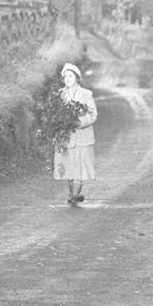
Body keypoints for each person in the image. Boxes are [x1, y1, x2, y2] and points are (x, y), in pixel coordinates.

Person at [53, 62, 97, 205]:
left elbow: (93, 114)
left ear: (77, 78)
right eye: (65, 77)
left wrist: (78, 122)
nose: (68, 79)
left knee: (80, 166)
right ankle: (72, 193)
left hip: (83, 136)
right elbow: (54, 114)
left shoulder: (86, 94)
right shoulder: (59, 95)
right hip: (66, 137)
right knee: (68, 166)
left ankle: (75, 195)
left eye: (70, 76)